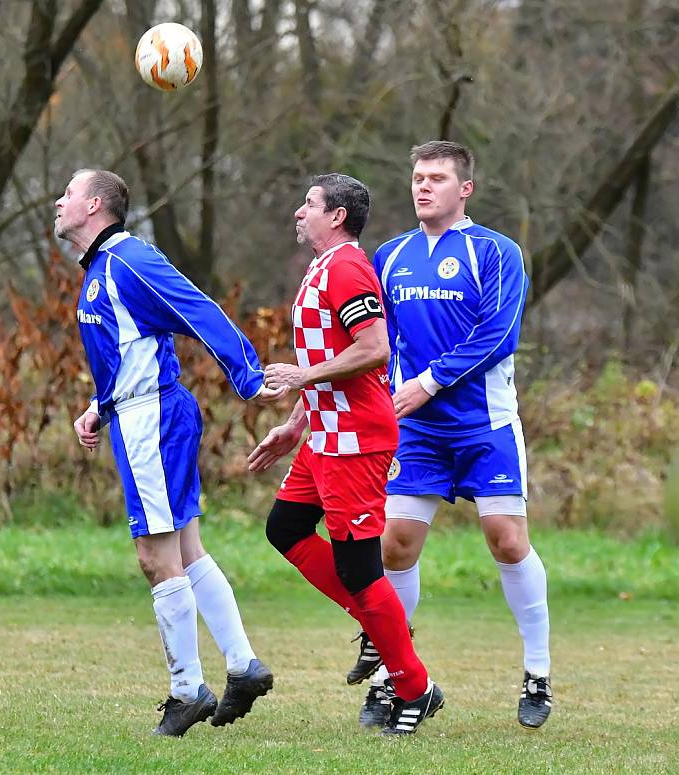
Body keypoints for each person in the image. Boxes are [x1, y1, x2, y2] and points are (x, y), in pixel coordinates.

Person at [55, 168, 286, 737]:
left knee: (155, 558)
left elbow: (198, 308)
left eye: (68, 194)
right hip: (139, 413)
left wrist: (248, 375)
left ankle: (187, 691)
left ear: (95, 205)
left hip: (152, 421)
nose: (58, 203)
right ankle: (243, 665)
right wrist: (99, 405)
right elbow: (131, 347)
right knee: (183, 548)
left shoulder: (130, 259)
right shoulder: (104, 267)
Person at [349, 141, 552, 731]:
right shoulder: (390, 255)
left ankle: (537, 671)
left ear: (464, 189)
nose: (422, 187)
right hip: (414, 430)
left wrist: (429, 382)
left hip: (484, 424)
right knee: (394, 545)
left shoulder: (495, 251)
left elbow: (499, 333)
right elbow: (372, 340)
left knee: (506, 540)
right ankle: (396, 674)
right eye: (417, 177)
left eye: (436, 178)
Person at [248, 173, 443, 736]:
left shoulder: (350, 267)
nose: (297, 212)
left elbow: (373, 348)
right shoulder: (322, 267)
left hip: (357, 438)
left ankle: (413, 683)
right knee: (285, 527)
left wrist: (301, 377)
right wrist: (294, 424)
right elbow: (333, 354)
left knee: (360, 569)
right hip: (324, 434)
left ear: (336, 217)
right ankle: (386, 632)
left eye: (308, 204)